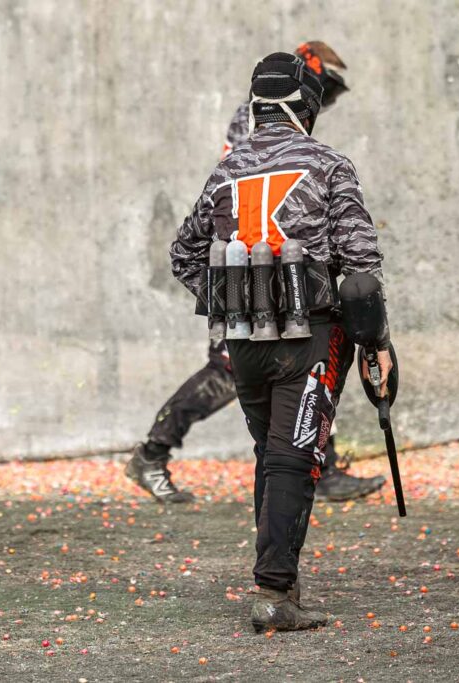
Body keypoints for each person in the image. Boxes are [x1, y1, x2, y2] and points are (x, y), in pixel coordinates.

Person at [170, 52, 392, 631]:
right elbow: (361, 269)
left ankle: (281, 582)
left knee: (272, 456)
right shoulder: (328, 164)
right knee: (293, 461)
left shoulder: (225, 171)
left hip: (243, 340)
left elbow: (184, 253)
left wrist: (233, 299)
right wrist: (377, 343)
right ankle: (273, 593)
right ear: (306, 105)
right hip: (311, 336)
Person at [125, 41, 384, 505]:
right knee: (227, 370)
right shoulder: (259, 124)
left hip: (275, 272)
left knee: (311, 365)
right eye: (325, 91)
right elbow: (242, 197)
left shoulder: (283, 126)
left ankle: (320, 468)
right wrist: (230, 294)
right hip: (252, 272)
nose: (325, 104)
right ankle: (152, 453)